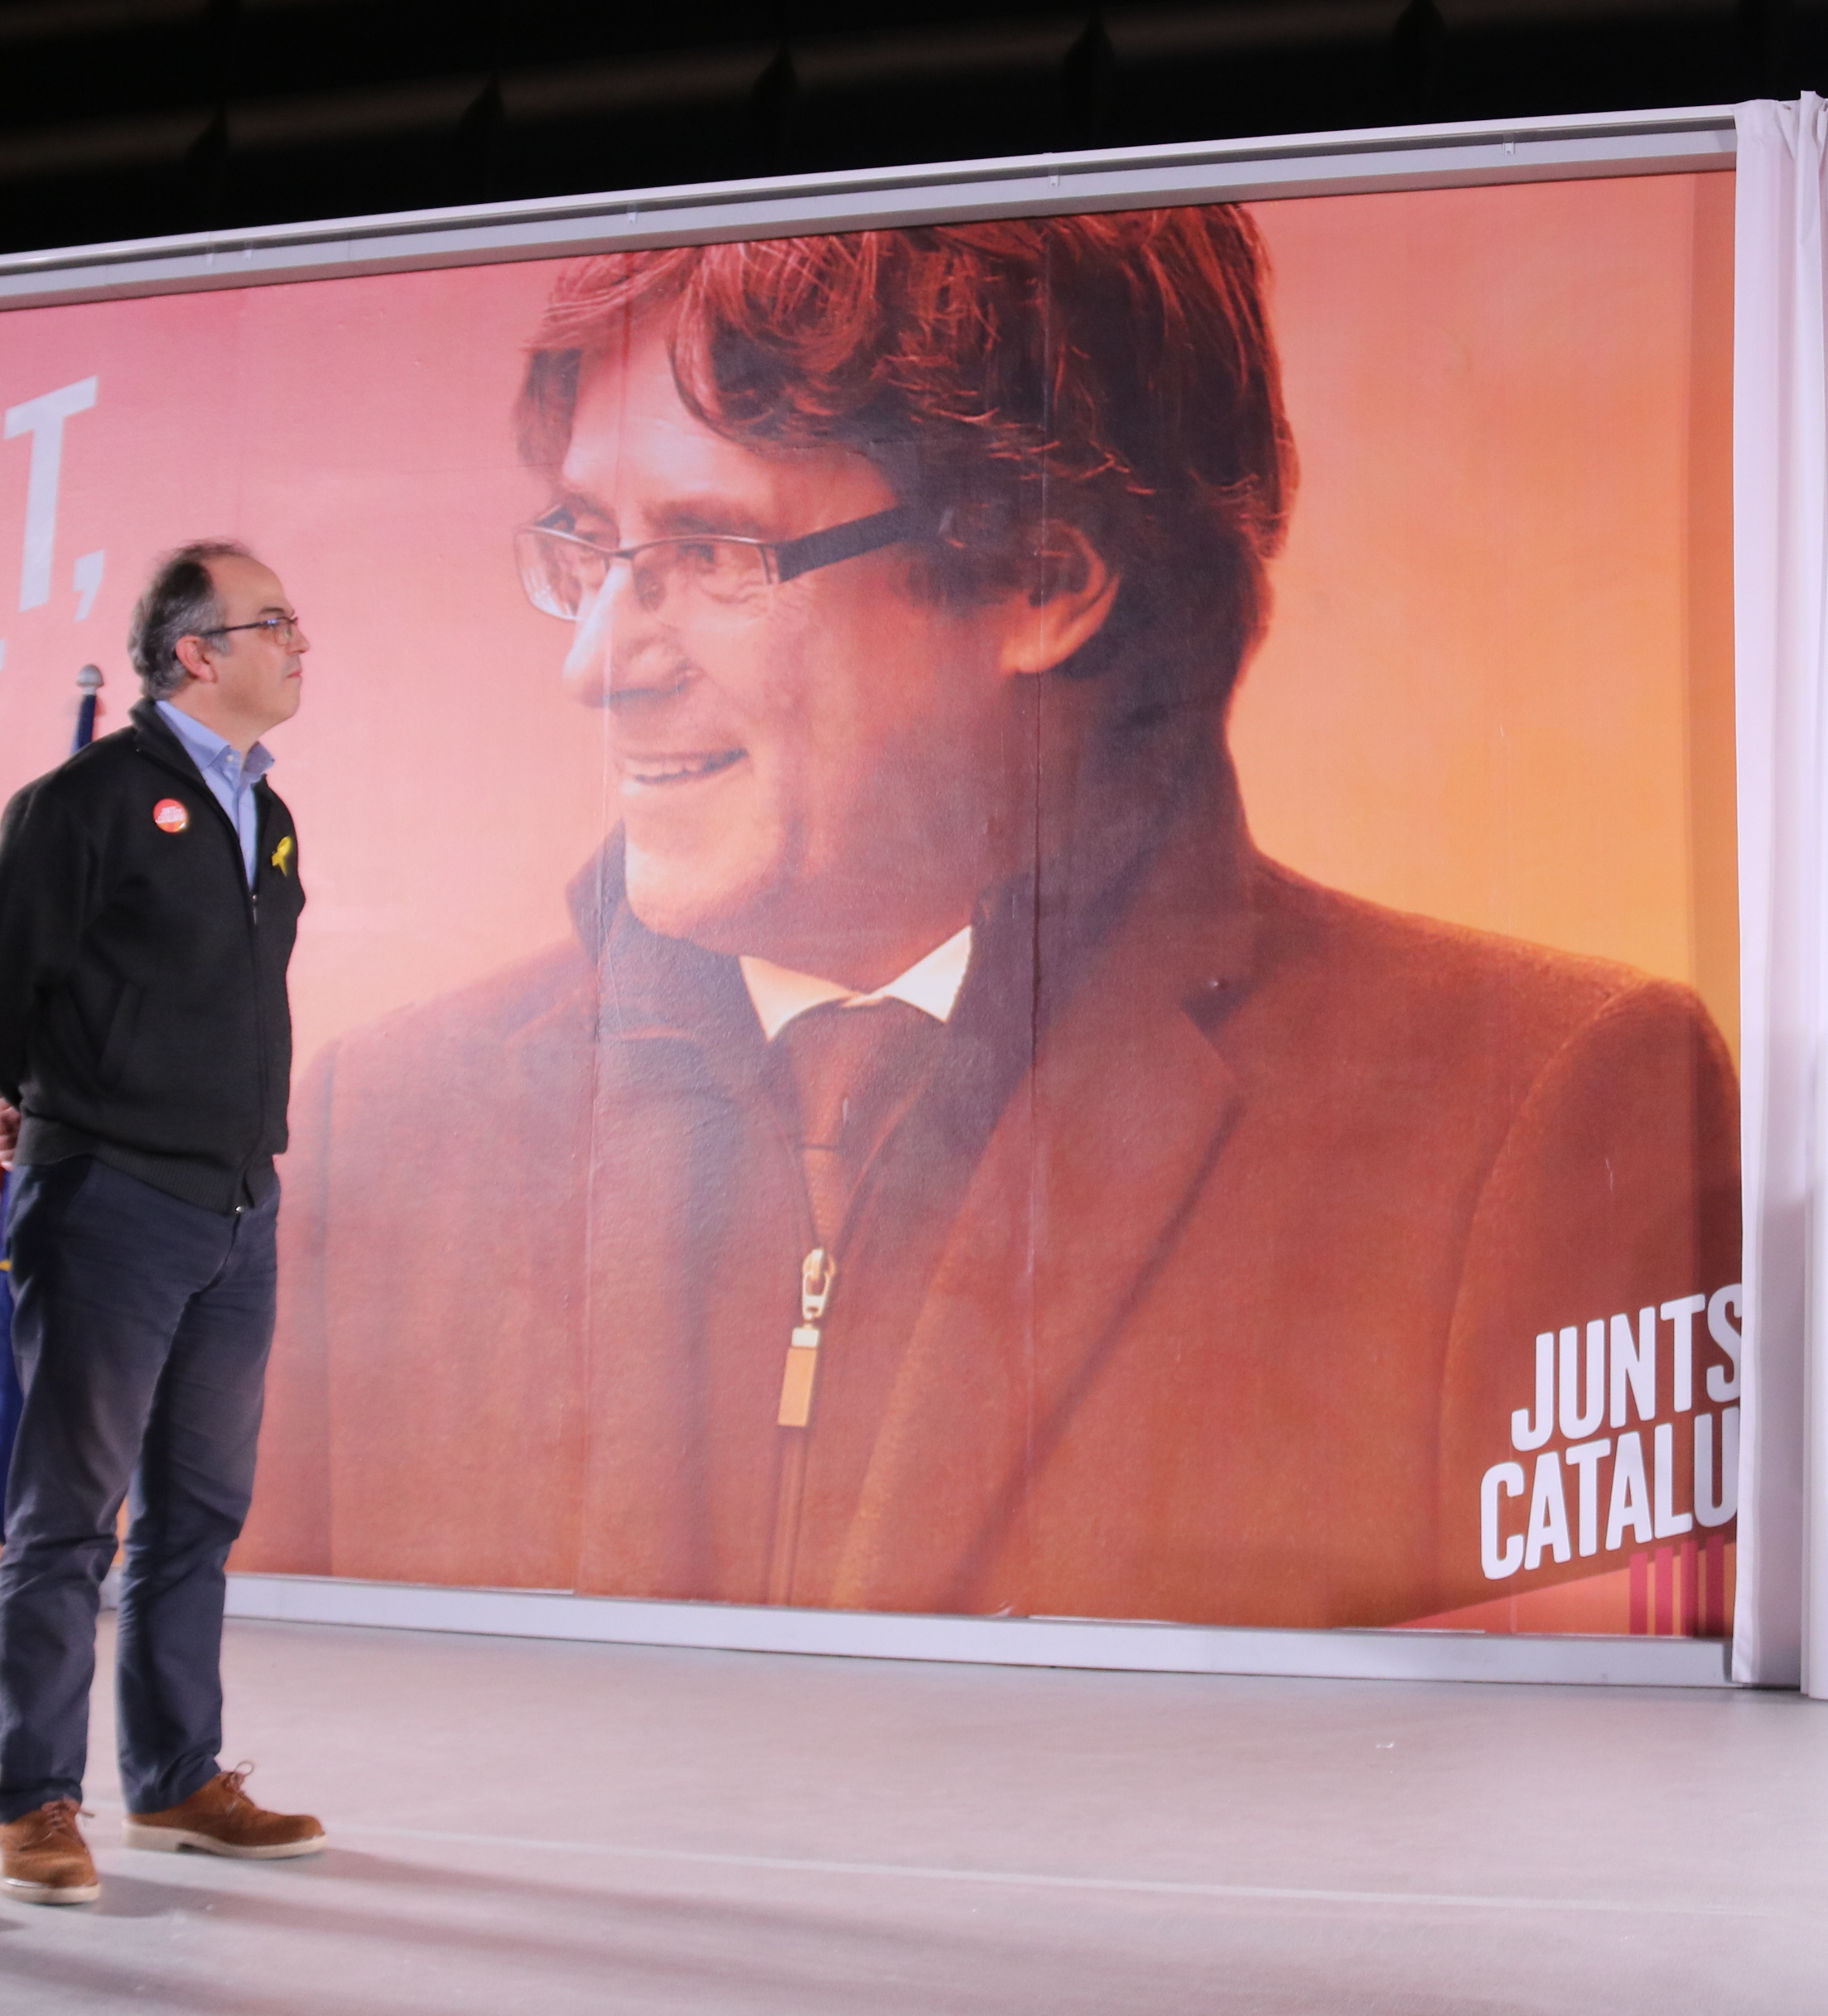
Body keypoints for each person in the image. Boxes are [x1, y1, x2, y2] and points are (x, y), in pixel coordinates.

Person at [244, 209, 1743, 1632]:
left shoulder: (1541, 1109)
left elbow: (1585, 1810)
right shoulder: (373, 1126)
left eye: (713, 554)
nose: (597, 661)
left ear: (1041, 577)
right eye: (584, 539)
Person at [0, 543, 324, 1907]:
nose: (300, 642)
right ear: (194, 655)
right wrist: (58, 1106)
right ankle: (36, 1800)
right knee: (68, 1518)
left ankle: (175, 1779)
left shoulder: (265, 813)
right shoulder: (90, 800)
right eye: (271, 622)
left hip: (235, 1204)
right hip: (112, 1197)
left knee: (200, 1512)